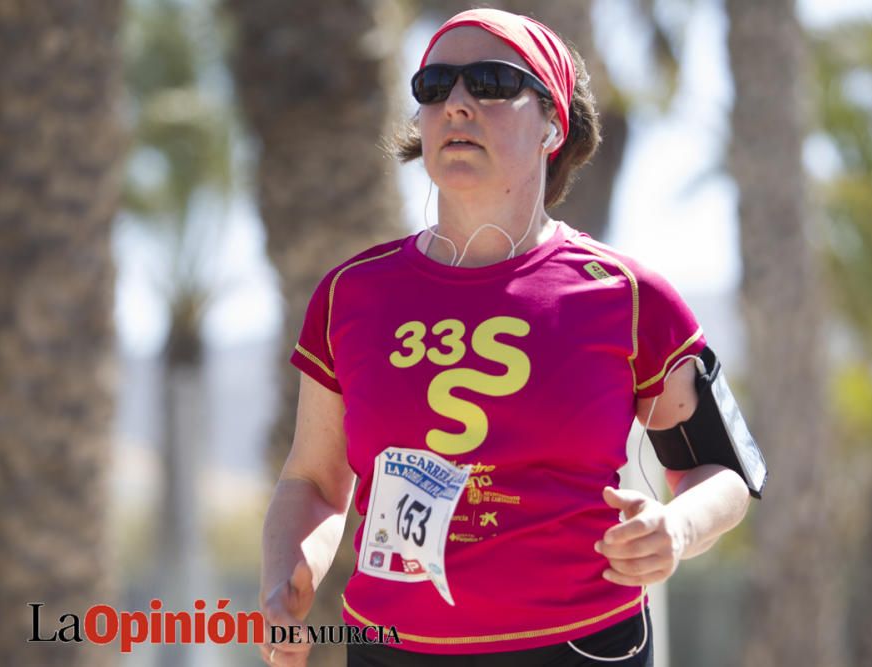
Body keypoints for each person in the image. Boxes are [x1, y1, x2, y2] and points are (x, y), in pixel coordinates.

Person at [258, 8, 751, 667]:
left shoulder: (628, 295)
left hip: (582, 647)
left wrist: (677, 527)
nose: (457, 103)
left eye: (491, 81)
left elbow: (724, 471)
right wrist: (286, 579)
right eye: (434, 86)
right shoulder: (351, 294)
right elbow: (316, 482)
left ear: (553, 123)